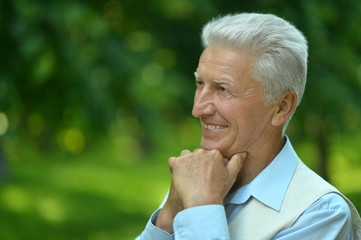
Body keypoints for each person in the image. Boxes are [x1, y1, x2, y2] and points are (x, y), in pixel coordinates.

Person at [136, 13, 361, 239]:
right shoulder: (197, 178)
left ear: (281, 107)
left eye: (223, 89)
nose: (198, 109)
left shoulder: (320, 215)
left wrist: (201, 207)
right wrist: (167, 219)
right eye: (200, 83)